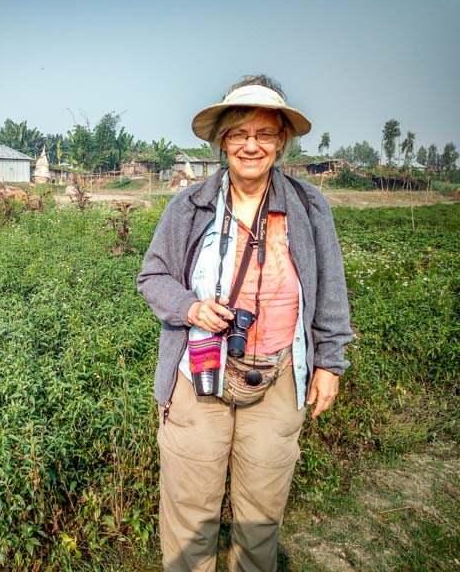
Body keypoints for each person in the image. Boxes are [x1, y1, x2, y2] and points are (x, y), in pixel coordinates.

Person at [137, 75, 352, 572]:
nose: (251, 145)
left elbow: (331, 292)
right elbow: (153, 276)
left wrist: (329, 365)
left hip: (278, 375)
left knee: (261, 515)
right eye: (239, 134)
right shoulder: (188, 206)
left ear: (281, 142)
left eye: (264, 134)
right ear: (222, 143)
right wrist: (190, 308)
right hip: (200, 374)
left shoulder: (309, 206)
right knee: (191, 513)